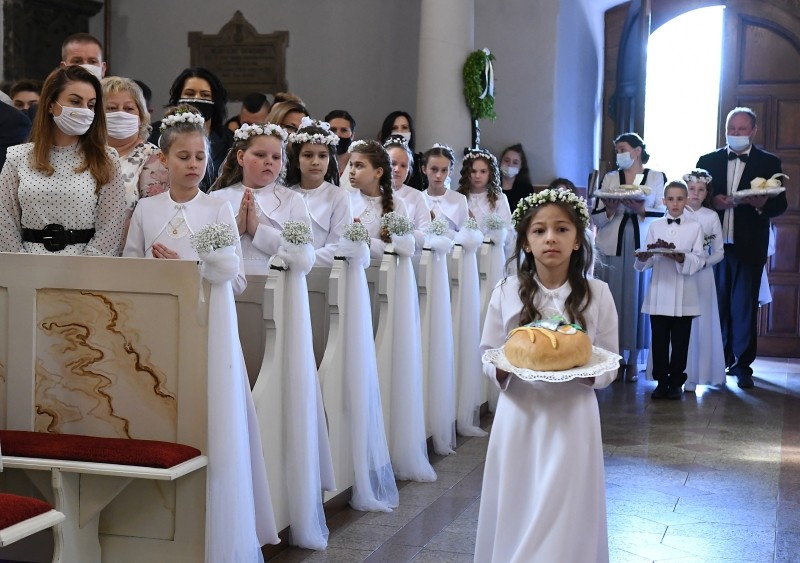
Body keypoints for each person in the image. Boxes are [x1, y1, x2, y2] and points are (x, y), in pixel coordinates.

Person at [476, 188, 618, 562]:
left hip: (573, 411)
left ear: (577, 240)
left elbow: (609, 358)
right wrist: (501, 369)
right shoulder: (506, 291)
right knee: (520, 496)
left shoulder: (598, 294)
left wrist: (590, 374)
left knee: (566, 501)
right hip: (520, 409)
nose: (550, 238)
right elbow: (488, 350)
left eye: (562, 229)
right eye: (539, 231)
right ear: (525, 241)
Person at [696, 107, 787, 388]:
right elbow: (694, 198)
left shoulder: (769, 162)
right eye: (731, 129)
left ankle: (742, 364)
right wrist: (713, 202)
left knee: (744, 306)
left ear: (753, 131)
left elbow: (780, 204)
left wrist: (761, 205)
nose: (735, 133)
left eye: (741, 129)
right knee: (716, 304)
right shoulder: (707, 161)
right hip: (714, 247)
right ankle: (717, 360)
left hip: (749, 245)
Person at [0, 66, 125, 255]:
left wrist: (81, 270)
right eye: (75, 101)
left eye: (91, 105)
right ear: (51, 104)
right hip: (27, 265)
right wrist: (23, 267)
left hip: (85, 267)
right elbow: (4, 222)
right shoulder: (17, 157)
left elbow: (110, 230)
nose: (84, 111)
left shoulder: (106, 159)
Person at [123, 105, 246, 294]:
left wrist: (187, 271)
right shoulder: (145, 208)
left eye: (200, 157)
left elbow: (237, 282)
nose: (193, 164)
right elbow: (129, 272)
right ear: (163, 159)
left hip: (201, 308)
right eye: (183, 157)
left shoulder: (219, 208)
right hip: (153, 303)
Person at [592, 132, 666, 382]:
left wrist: (642, 209)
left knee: (637, 300)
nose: (619, 154)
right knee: (612, 299)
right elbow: (597, 218)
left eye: (623, 149)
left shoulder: (655, 177)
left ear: (637, 151)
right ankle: (612, 357)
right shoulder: (611, 178)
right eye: (616, 150)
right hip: (612, 243)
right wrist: (610, 210)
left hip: (641, 243)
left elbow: (664, 212)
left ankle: (634, 359)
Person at [634, 180, 705, 399]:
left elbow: (700, 259)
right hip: (660, 291)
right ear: (664, 201)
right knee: (659, 340)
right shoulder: (655, 226)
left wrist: (682, 258)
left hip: (685, 293)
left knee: (681, 341)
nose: (675, 204)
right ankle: (661, 381)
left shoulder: (695, 227)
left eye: (680, 199)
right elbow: (647, 258)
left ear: (686, 200)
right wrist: (643, 257)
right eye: (671, 199)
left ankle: (676, 382)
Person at [209, 122, 310, 274]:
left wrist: (257, 230)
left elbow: (305, 257)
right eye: (260, 155)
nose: (269, 161)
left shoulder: (293, 200)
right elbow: (204, 251)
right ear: (241, 157)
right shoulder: (218, 197)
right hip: (229, 282)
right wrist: (237, 230)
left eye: (276, 157)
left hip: (278, 282)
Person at [148, 68, 233, 192]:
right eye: (190, 93)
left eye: (205, 95)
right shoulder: (155, 134)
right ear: (178, 98)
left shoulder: (229, 141)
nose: (197, 99)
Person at [285, 117, 352, 267]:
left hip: (323, 273)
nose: (315, 162)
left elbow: (338, 246)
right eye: (308, 155)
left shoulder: (339, 196)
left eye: (322, 156)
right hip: (286, 271)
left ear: (330, 160)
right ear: (297, 161)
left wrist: (300, 260)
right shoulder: (286, 194)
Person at [682, 169, 725, 392]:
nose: (695, 193)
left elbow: (719, 252)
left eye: (700, 190)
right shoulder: (676, 213)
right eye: (691, 189)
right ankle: (679, 371)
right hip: (680, 274)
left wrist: (703, 263)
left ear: (707, 192)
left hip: (702, 275)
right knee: (681, 322)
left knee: (702, 320)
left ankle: (702, 372)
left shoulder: (711, 216)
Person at [101, 76, 168, 218]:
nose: (121, 113)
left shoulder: (156, 158)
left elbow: (155, 217)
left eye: (129, 108)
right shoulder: (83, 153)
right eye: (112, 108)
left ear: (142, 116)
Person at [347, 139, 409, 260]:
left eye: (359, 166)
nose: (352, 171)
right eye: (351, 165)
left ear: (378, 172)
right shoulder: (345, 200)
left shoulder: (397, 204)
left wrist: (366, 239)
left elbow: (403, 250)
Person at [384, 135, 430, 251]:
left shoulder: (417, 196)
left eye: (403, 166)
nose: (397, 169)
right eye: (393, 163)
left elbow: (426, 236)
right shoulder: (372, 192)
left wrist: (401, 231)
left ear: (409, 169)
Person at [458, 148, 513, 238]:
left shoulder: (499, 198)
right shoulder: (459, 197)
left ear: (490, 173)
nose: (477, 176)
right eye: (473, 171)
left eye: (483, 171)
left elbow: (508, 230)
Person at [421, 143, 468, 233]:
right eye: (434, 169)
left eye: (444, 170)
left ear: (450, 171)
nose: (438, 175)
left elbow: (465, 234)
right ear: (424, 169)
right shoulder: (418, 198)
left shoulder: (459, 199)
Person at [377, 111, 424, 190]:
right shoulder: (375, 161)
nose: (400, 132)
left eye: (404, 127)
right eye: (394, 128)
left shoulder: (420, 162)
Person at [324, 109, 356, 189]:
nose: (337, 135)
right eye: (333, 130)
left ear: (352, 135)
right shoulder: (317, 163)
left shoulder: (362, 163)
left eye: (344, 130)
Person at [499, 143, 534, 212]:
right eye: (506, 161)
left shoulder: (526, 189)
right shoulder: (490, 185)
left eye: (515, 163)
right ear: (501, 162)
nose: (510, 165)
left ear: (521, 166)